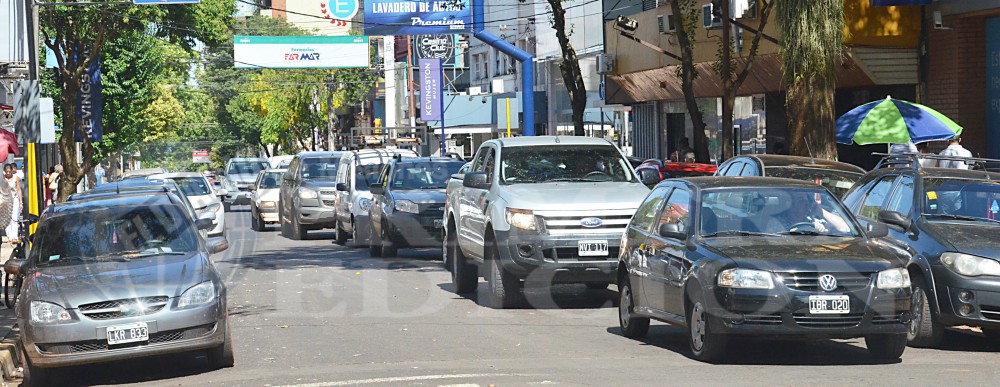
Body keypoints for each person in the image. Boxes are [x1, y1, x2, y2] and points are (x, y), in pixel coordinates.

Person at [763, 191, 851, 234]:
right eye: (801, 200)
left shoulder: (814, 220)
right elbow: (771, 244)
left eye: (807, 201)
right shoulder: (776, 222)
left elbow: (846, 228)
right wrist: (791, 234)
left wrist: (820, 211)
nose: (805, 204)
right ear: (790, 204)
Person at [3, 164, 20, 245]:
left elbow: (19, 189)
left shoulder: (16, 178)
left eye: (9, 171)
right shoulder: (2, 179)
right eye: (7, 172)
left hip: (14, 199)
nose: (8, 173)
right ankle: (9, 236)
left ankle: (14, 237)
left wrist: (21, 202)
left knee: (14, 217)